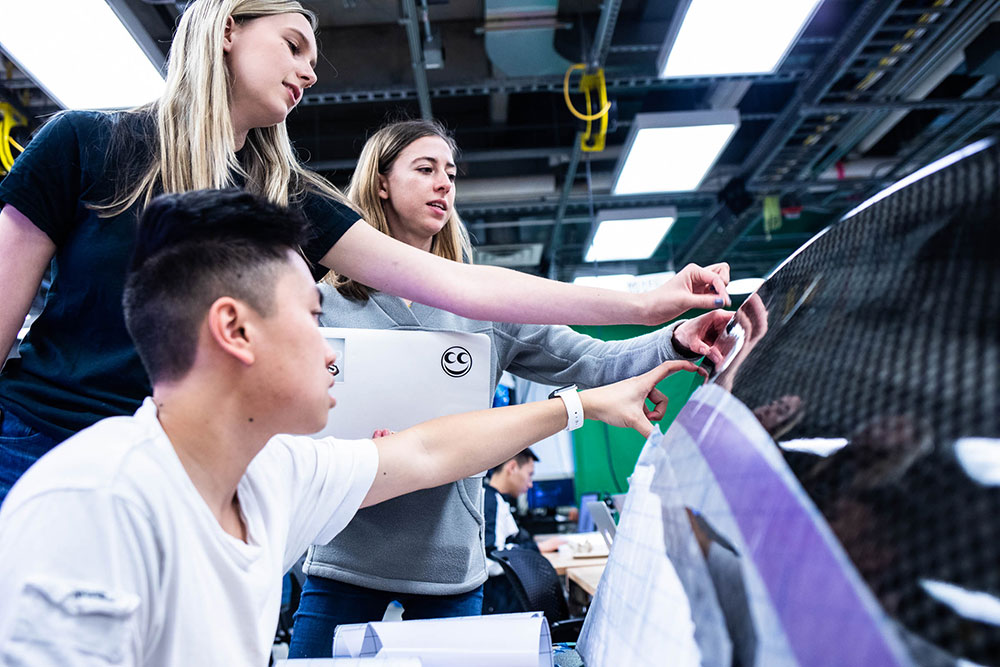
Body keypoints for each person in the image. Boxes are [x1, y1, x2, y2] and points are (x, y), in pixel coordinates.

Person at [0, 0, 730, 503]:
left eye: (313, 57)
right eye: (293, 45)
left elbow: (461, 287)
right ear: (227, 27)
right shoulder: (86, 143)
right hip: (41, 447)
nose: (312, 71)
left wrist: (647, 302)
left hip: (195, 468)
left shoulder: (284, 196)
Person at [0, 189, 704, 666]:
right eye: (312, 318)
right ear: (235, 330)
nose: (332, 347)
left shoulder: (270, 477)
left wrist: (588, 404)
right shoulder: (94, 505)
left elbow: (426, 450)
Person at [288, 119, 733, 657]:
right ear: (381, 182)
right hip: (341, 569)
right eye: (425, 169)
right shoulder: (319, 304)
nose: (443, 184)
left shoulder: (485, 307)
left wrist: (675, 342)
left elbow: (592, 361)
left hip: (449, 577)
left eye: (450, 173)